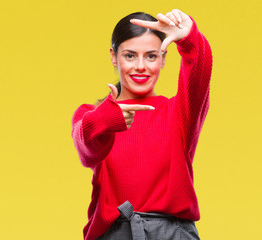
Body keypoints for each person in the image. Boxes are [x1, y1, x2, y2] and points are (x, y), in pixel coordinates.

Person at [71, 9, 212, 240]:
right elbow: (86, 148)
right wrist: (107, 118)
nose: (140, 66)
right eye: (129, 55)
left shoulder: (178, 112)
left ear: (164, 58)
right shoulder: (92, 114)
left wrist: (189, 39)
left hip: (172, 233)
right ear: (113, 56)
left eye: (151, 56)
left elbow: (200, 74)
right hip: (115, 232)